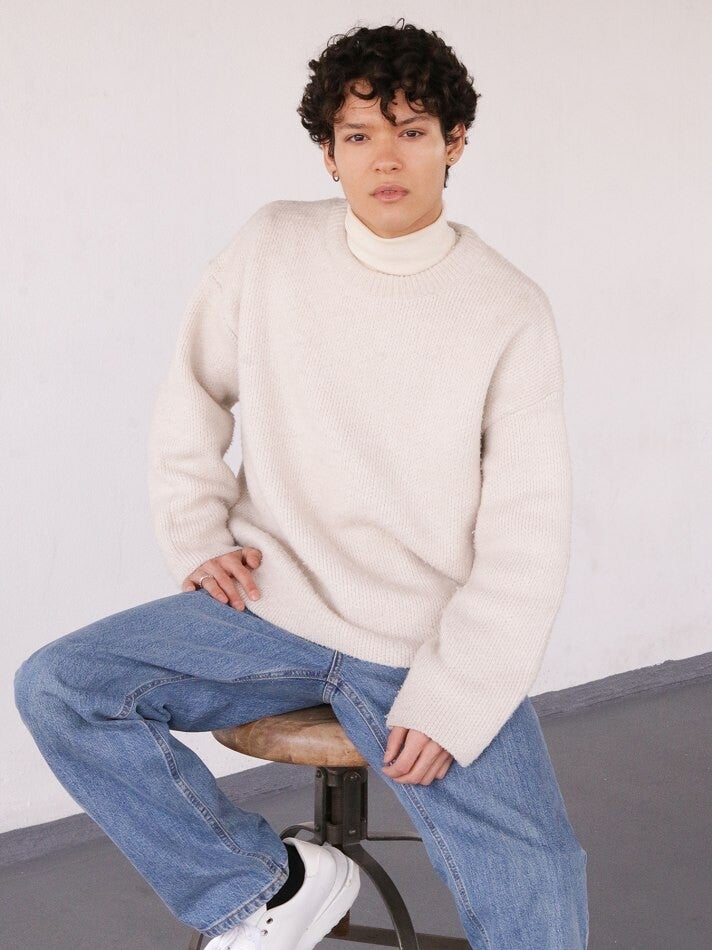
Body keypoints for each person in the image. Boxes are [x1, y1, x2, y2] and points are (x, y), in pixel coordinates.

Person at [14, 18, 589, 950]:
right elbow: (193, 393)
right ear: (328, 153)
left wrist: (460, 694)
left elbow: (530, 531)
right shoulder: (271, 245)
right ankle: (269, 885)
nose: (385, 158)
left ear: (455, 142)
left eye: (411, 130)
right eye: (358, 136)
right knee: (62, 686)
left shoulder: (508, 309)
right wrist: (198, 533)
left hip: (419, 644)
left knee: (541, 885)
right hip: (267, 609)